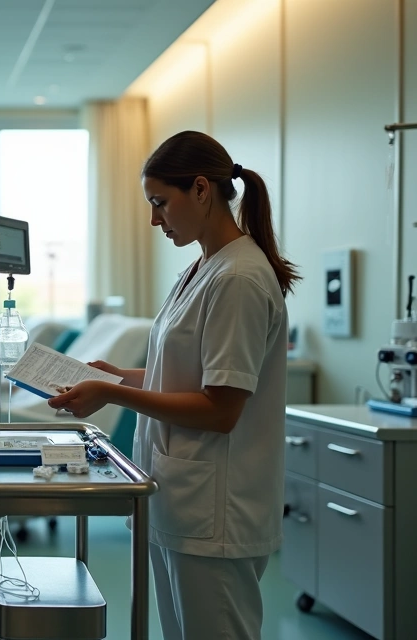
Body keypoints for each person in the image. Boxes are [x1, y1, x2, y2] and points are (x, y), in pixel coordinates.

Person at [46, 131, 297, 640]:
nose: (154, 219)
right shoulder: (201, 269)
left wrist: (113, 394)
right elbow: (188, 375)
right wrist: (114, 376)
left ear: (201, 190)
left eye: (160, 202)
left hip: (216, 511)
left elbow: (220, 408)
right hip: (181, 499)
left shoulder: (239, 280)